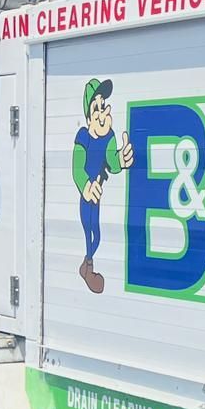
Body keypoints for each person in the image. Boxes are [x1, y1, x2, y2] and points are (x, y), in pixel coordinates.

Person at [71, 77, 135, 294]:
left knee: (96, 234)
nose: (102, 111)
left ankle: (87, 265)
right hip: (87, 195)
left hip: (97, 196)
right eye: (96, 107)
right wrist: (86, 186)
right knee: (88, 230)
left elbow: (112, 161)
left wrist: (122, 160)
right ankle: (88, 269)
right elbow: (77, 168)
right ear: (89, 117)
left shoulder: (108, 136)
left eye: (103, 105)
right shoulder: (83, 137)